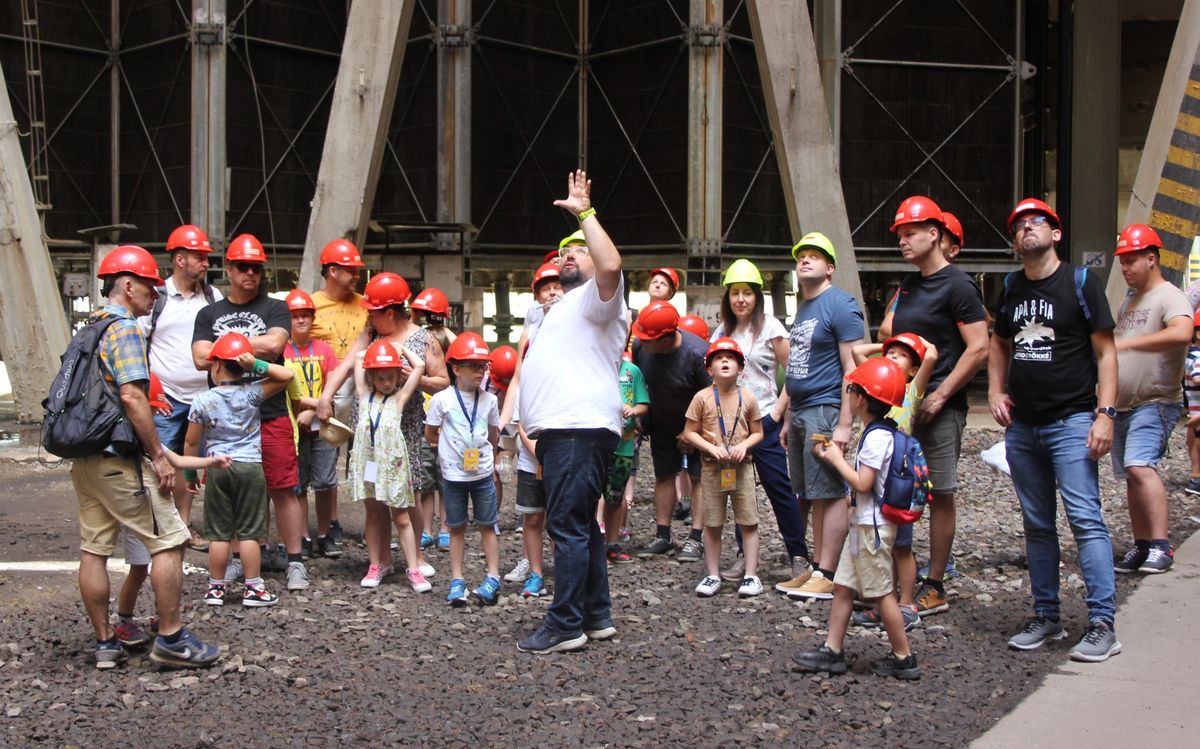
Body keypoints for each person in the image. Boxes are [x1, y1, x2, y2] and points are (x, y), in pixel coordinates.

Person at [72, 245, 220, 670]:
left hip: (85, 459)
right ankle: (171, 638)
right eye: (150, 288)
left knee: (94, 549)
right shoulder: (125, 330)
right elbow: (133, 396)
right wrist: (158, 454)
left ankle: (105, 643)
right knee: (170, 540)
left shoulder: (87, 329)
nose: (156, 295)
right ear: (129, 285)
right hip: (120, 457)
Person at [989, 197, 1121, 663]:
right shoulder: (1010, 287)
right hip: (1024, 426)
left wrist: (1106, 414)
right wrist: (995, 391)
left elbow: (1106, 354)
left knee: (1085, 520)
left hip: (1072, 421)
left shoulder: (1081, 283)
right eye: (1020, 225)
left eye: (1037, 222)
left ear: (1056, 233)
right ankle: (1047, 616)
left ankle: (1103, 623)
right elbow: (999, 342)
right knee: (1038, 524)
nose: (1028, 229)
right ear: (1014, 241)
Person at [516, 170, 629, 654]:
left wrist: (585, 214)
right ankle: (596, 615)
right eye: (564, 250)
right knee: (581, 523)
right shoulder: (561, 308)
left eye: (578, 248)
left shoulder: (599, 297)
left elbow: (610, 264)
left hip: (578, 428)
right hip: (571, 430)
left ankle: (565, 624)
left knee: (566, 526)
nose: (569, 253)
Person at [887, 196, 988, 614]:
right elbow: (891, 332)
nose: (902, 241)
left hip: (941, 406)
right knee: (897, 489)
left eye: (909, 233)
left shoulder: (959, 284)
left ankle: (935, 583)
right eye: (900, 235)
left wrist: (941, 396)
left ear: (934, 234)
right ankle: (895, 581)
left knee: (940, 493)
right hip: (905, 406)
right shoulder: (909, 285)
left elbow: (979, 347)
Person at [791, 357, 921, 681]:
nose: (847, 394)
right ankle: (832, 650)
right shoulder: (879, 430)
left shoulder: (877, 437)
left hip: (872, 529)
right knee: (844, 587)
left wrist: (836, 459)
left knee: (881, 593)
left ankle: (904, 657)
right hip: (864, 526)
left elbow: (863, 483)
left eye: (851, 389)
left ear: (861, 398)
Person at [192, 233, 308, 590]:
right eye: (243, 267)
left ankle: (295, 561)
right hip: (225, 422)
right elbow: (198, 358)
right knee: (234, 491)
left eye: (256, 268)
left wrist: (224, 347)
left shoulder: (275, 307)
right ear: (229, 268)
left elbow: (276, 345)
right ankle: (240, 560)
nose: (250, 274)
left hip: (270, 411)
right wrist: (247, 351)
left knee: (283, 487)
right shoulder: (209, 312)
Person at [318, 271, 450, 575]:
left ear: (389, 312)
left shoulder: (423, 339)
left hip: (405, 425)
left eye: (373, 311)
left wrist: (415, 381)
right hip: (369, 429)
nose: (369, 316)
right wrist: (326, 395)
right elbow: (348, 362)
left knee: (410, 494)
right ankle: (380, 560)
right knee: (373, 492)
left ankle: (415, 557)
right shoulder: (370, 334)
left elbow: (443, 382)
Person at [711, 258, 811, 589]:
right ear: (728, 297)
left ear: (757, 296)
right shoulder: (722, 332)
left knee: (778, 488)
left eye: (747, 293)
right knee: (738, 492)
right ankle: (745, 555)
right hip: (731, 426)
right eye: (735, 293)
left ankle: (798, 554)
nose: (741, 299)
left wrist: (778, 414)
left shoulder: (771, 327)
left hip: (764, 418)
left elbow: (794, 372)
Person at [780, 232, 865, 601]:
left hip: (826, 408)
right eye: (801, 256)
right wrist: (787, 417)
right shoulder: (804, 308)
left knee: (830, 491)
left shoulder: (841, 305)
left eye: (815, 256)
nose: (805, 261)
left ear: (830, 268)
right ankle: (818, 567)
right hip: (801, 410)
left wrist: (845, 424)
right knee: (811, 491)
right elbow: (798, 366)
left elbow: (853, 367)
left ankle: (829, 572)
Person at [186, 332, 295, 608]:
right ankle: (253, 588)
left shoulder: (202, 401)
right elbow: (287, 375)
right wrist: (256, 365)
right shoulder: (252, 393)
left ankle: (216, 588)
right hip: (249, 467)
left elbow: (191, 441)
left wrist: (190, 473)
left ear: (217, 366)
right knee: (249, 532)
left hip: (217, 468)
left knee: (219, 532)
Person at [1109, 224, 1192, 574]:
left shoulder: (1169, 295)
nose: (1125, 269)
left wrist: (1128, 344)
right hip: (1123, 405)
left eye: (1131, 261)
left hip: (1155, 400)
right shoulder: (1130, 299)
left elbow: (1182, 331)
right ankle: (1142, 545)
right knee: (1131, 473)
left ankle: (1161, 545)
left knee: (1141, 466)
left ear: (1152, 259)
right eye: (1122, 262)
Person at [140, 224, 222, 550]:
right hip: (166, 399)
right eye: (199, 257)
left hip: (204, 397)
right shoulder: (157, 299)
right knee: (160, 464)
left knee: (192, 471)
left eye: (205, 257)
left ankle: (184, 527)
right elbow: (138, 342)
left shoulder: (213, 297)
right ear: (178, 259)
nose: (205, 262)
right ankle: (161, 527)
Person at [849, 333, 938, 630]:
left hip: (898, 483)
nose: (891, 358)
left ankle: (906, 603)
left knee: (901, 546)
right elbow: (858, 353)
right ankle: (883, 601)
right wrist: (886, 348)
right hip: (876, 481)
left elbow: (932, 356)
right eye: (890, 354)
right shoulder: (874, 391)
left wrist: (914, 344)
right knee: (881, 546)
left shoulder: (911, 391)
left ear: (913, 368)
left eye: (901, 356)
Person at [683, 337, 765, 598]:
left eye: (731, 358)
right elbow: (689, 432)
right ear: (709, 369)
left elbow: (758, 432)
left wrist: (746, 445)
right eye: (719, 358)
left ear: (740, 367)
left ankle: (751, 575)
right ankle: (713, 573)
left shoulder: (748, 397)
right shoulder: (702, 397)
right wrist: (709, 448)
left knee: (748, 521)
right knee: (713, 522)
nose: (725, 361)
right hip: (711, 468)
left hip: (741, 468)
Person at [425, 333, 503, 606]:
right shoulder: (442, 400)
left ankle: (493, 576)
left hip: (482, 474)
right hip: (453, 477)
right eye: (474, 366)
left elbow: (493, 433)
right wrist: (447, 453)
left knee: (487, 524)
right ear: (456, 368)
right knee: (455, 527)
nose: (480, 372)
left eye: (483, 366)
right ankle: (457, 579)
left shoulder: (490, 401)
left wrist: (492, 462)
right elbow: (430, 433)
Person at [503, 263, 566, 592]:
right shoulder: (529, 332)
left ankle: (563, 574)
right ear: (537, 295)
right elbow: (517, 380)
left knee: (559, 515)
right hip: (530, 435)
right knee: (532, 514)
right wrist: (507, 423)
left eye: (558, 286)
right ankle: (537, 573)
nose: (553, 291)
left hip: (560, 436)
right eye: (546, 287)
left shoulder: (574, 329)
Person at [631, 300, 711, 560]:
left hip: (699, 427)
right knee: (664, 475)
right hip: (662, 421)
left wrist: (692, 431)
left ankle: (696, 538)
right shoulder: (641, 347)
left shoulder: (698, 354)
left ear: (665, 339)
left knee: (699, 477)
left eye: (648, 339)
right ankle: (662, 534)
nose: (642, 342)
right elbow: (639, 382)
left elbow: (713, 397)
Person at [351, 340, 429, 591]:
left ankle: (413, 569)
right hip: (370, 465)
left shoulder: (399, 398)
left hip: (393, 467)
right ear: (371, 377)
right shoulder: (364, 396)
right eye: (381, 378)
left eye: (391, 377)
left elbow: (419, 366)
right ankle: (375, 565)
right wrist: (374, 351)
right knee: (373, 514)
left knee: (401, 517)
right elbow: (356, 359)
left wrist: (399, 349)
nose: (386, 383)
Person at [282, 289, 341, 558]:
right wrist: (307, 408)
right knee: (299, 484)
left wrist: (313, 411)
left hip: (322, 424)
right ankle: (303, 535)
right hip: (292, 427)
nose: (302, 320)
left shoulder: (324, 350)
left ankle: (325, 534)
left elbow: (333, 388)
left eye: (306, 315)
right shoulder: (280, 350)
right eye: (295, 316)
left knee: (326, 481)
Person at [604, 346, 650, 565]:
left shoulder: (632, 371)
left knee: (615, 495)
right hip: (597, 445)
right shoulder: (594, 367)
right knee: (590, 495)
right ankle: (592, 544)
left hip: (624, 445)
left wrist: (634, 410)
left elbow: (643, 403)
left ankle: (612, 544)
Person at [1184, 313, 1200, 494]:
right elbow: (1197, 378)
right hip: (1198, 408)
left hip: (1194, 407)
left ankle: (1196, 476)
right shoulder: (1198, 356)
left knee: (1195, 442)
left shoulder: (1188, 354)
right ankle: (1196, 478)